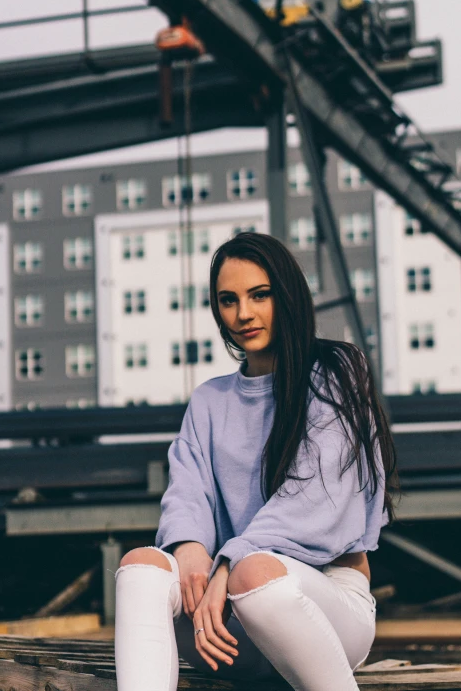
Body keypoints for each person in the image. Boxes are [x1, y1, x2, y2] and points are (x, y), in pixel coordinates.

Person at [114, 231, 399, 691]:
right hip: (225, 631)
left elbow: (313, 503)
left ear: (285, 295)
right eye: (228, 301)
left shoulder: (337, 374)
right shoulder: (209, 401)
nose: (243, 313)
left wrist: (227, 564)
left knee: (255, 573)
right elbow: (187, 490)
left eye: (259, 295)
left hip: (322, 611)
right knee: (142, 567)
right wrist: (189, 549)